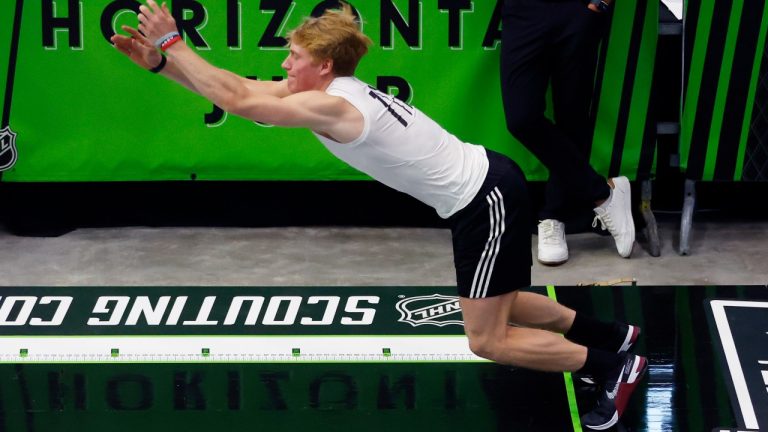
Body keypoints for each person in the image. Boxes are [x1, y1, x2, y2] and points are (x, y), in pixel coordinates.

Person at [111, 2, 646, 428]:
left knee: (487, 337)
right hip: (488, 186)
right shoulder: (329, 90)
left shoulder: (334, 105)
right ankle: (615, 335)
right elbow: (241, 93)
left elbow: (239, 99)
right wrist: (163, 65)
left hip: (484, 200)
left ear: (322, 64)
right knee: (502, 300)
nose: (283, 64)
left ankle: (608, 368)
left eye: (292, 56)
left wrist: (172, 41)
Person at [500, 0, 634, 266]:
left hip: (580, 8)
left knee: (572, 114)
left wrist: (600, 3)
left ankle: (553, 216)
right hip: (523, 11)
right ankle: (604, 193)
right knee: (521, 118)